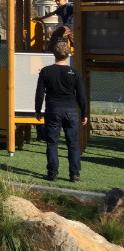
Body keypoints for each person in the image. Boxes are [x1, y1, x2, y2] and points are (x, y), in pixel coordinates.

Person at [35, 42, 87, 182]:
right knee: (73, 144)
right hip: (71, 110)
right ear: (68, 54)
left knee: (52, 143)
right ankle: (74, 174)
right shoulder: (74, 73)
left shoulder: (46, 71)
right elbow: (81, 95)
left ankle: (52, 173)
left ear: (54, 54)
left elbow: (40, 93)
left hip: (53, 110)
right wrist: (84, 113)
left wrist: (38, 110)